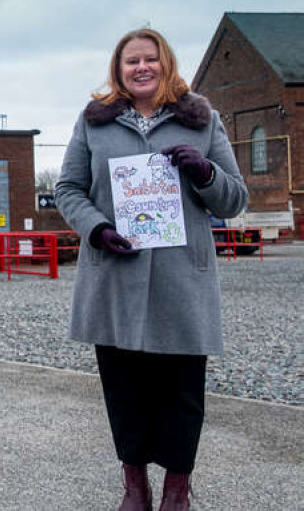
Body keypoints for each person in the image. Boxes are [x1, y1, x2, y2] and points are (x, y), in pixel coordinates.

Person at [55, 28, 247, 511]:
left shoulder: (202, 119)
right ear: (117, 70)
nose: (141, 68)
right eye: (130, 61)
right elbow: (68, 190)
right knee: (125, 391)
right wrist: (96, 228)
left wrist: (204, 172)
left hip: (181, 278)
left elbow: (235, 198)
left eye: (150, 59)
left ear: (166, 63)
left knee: (182, 392)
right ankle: (134, 486)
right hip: (114, 274)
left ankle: (177, 490)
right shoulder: (93, 122)